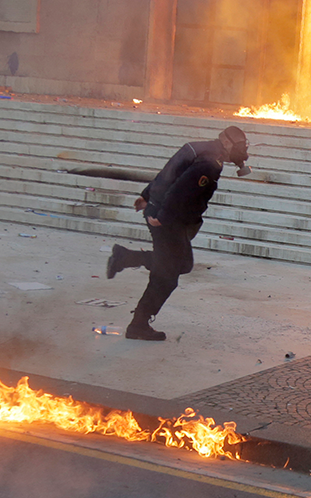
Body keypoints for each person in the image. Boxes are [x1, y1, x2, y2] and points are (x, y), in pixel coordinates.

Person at [105, 126, 252, 340]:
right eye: (239, 146)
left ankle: (125, 258)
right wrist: (163, 215)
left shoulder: (199, 148)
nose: (242, 152)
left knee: (181, 265)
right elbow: (182, 191)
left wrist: (147, 196)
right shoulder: (210, 163)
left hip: (163, 213)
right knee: (166, 276)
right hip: (168, 219)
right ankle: (138, 324)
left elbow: (170, 170)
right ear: (227, 142)